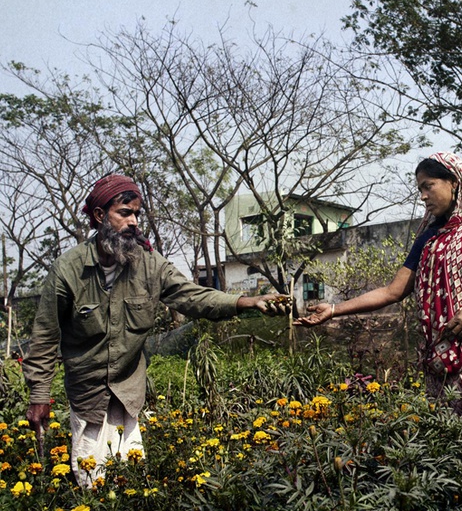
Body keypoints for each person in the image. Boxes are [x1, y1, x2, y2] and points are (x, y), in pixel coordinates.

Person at [23, 174, 290, 487]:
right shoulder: (68, 269)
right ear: (99, 216)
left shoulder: (149, 264)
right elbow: (44, 336)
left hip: (128, 393)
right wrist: (38, 396)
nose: (135, 221)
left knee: (132, 479)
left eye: (137, 213)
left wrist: (247, 301)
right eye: (125, 213)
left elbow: (194, 296)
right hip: (87, 395)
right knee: (90, 480)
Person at [295, 152, 462, 420]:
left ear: (454, 182)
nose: (423, 196)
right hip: (445, 354)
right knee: (459, 437)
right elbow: (393, 291)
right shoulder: (429, 237)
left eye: (429, 186)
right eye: (420, 189)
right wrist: (334, 309)